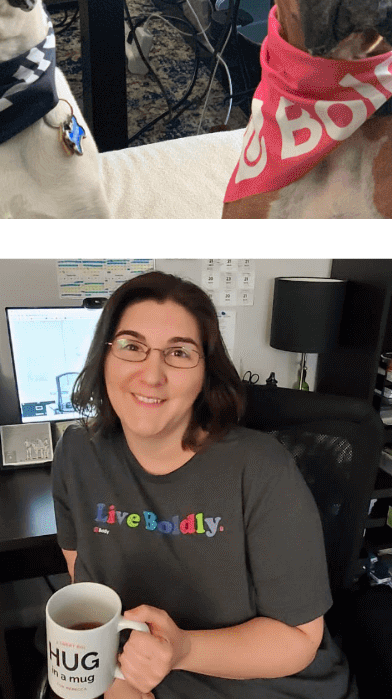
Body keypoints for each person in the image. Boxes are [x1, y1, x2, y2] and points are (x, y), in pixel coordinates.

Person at [54, 272, 345, 699]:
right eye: (132, 346)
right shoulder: (77, 454)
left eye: (178, 353)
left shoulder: (260, 468)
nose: (151, 375)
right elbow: (90, 596)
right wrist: (119, 680)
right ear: (104, 356)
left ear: (205, 372)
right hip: (144, 678)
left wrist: (182, 649)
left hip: (267, 685)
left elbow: (298, 639)